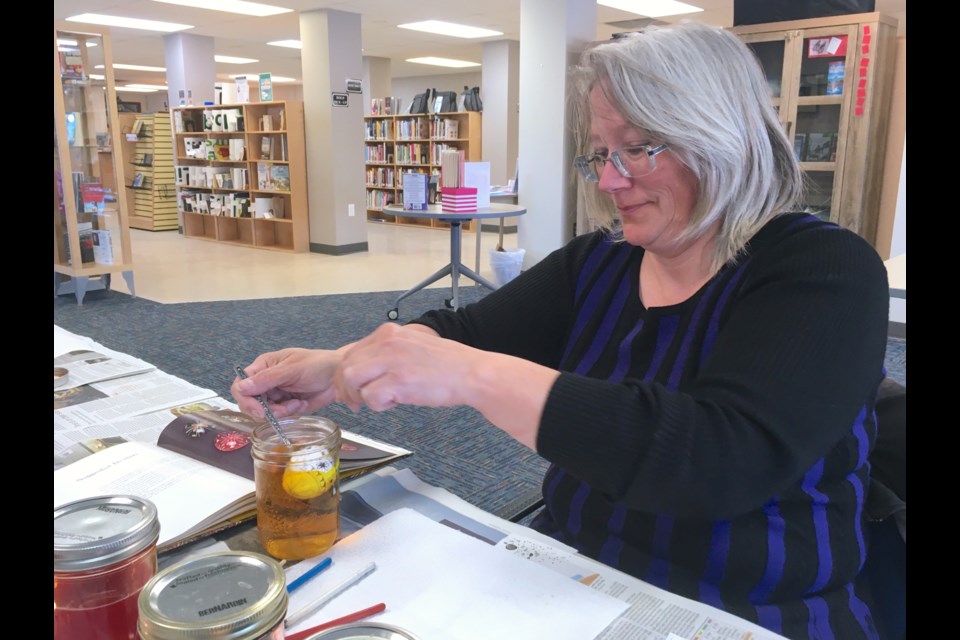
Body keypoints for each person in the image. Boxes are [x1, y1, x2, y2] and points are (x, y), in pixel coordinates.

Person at [232, 23, 889, 640]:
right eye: (601, 155)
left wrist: (471, 375)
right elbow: (462, 331)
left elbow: (713, 459)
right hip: (577, 573)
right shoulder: (601, 262)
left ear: (721, 135)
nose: (608, 180)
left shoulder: (823, 270)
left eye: (637, 149)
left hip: (754, 606)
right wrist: (335, 362)